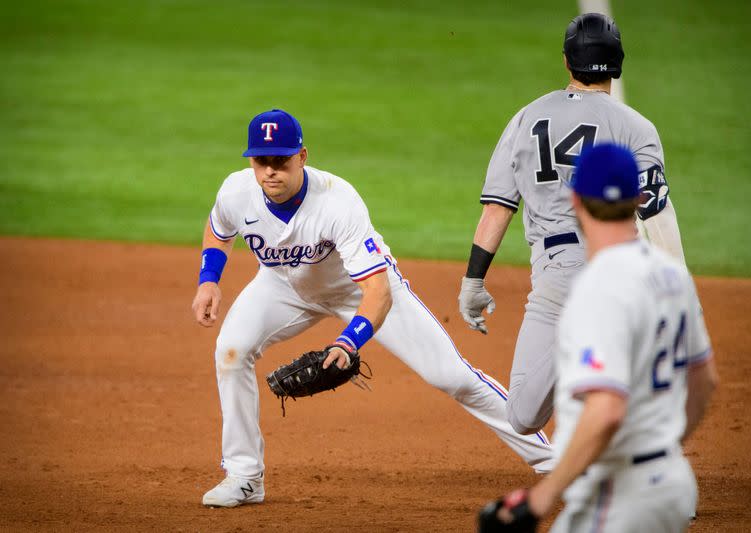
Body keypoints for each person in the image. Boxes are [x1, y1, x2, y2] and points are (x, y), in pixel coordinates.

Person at [191, 108, 552, 508]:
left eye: (281, 161)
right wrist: (209, 280)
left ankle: (555, 460)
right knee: (231, 351)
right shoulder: (236, 191)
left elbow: (377, 292)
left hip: (355, 288)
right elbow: (218, 228)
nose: (270, 171)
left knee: (451, 376)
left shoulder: (337, 201)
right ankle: (244, 476)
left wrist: (348, 343)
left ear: (303, 156)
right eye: (261, 161)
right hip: (282, 286)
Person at [458, 12, 687, 438]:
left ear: (567, 61)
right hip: (614, 271)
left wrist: (473, 280)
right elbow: (654, 211)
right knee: (526, 415)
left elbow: (497, 208)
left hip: (560, 271)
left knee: (524, 417)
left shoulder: (527, 117)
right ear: (618, 64)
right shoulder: (637, 127)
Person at [477, 143, 718, 532]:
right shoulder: (673, 276)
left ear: (576, 200)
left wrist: (541, 498)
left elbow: (605, 409)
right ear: (638, 199)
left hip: (617, 496)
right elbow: (705, 381)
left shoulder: (595, 289)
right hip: (672, 485)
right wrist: (660, 447)